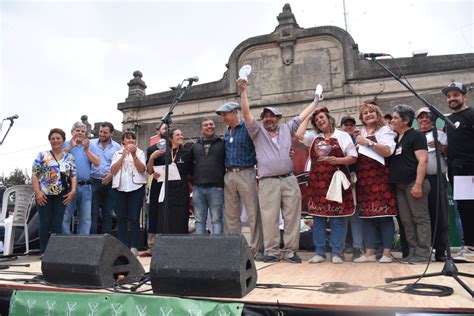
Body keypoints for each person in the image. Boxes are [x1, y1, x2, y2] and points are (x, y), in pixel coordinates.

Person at [239, 79, 320, 263]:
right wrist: (243, 91)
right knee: (269, 218)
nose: (268, 119)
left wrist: (316, 102)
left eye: (272, 116)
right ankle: (272, 251)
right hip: (267, 181)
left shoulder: (287, 129)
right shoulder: (257, 131)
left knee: (293, 216)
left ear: (278, 118)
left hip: (289, 179)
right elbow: (245, 113)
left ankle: (290, 251)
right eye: (265, 116)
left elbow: (301, 115)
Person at [296, 107, 358, 264]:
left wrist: (337, 161)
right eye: (316, 120)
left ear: (329, 119)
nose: (319, 120)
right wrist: (309, 115)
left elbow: (353, 157)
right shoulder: (314, 138)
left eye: (322, 117)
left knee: (337, 219)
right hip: (317, 184)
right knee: (318, 220)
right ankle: (320, 252)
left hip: (335, 182)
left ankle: (337, 252)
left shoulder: (343, 135)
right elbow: (298, 135)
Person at [216, 101, 263, 258]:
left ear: (234, 112)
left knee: (253, 212)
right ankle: (233, 248)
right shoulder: (226, 131)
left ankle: (256, 249)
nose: (223, 118)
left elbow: (260, 148)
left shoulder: (247, 128)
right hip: (229, 174)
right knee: (231, 215)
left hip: (246, 173)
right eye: (222, 115)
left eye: (225, 115)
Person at [353, 102, 397, 264]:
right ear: (362, 118)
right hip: (364, 179)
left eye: (371, 112)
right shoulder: (361, 133)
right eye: (365, 113)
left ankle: (386, 253)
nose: (368, 115)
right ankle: (370, 253)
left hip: (380, 178)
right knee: (367, 217)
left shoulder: (385, 130)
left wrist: (369, 143)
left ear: (377, 114)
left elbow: (387, 151)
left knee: (384, 216)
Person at [389, 104, 431, 264]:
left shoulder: (417, 136)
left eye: (395, 117)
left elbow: (423, 159)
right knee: (406, 220)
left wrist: (418, 184)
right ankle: (412, 251)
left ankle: (424, 252)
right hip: (399, 186)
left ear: (406, 120)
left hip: (413, 183)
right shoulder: (395, 138)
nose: (392, 120)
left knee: (420, 218)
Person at [442, 82, 474, 262]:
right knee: (464, 208)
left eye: (455, 94)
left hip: (470, 168)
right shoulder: (449, 121)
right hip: (456, 170)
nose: (452, 98)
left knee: (470, 207)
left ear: (464, 96)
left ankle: (470, 246)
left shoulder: (471, 115)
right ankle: (469, 245)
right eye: (449, 96)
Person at [32, 128, 77, 253]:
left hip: (61, 194)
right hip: (44, 194)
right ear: (49, 140)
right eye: (53, 138)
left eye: (58, 138)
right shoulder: (42, 155)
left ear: (63, 140)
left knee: (58, 223)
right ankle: (44, 251)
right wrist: (37, 192)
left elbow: (73, 175)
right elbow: (34, 175)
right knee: (44, 223)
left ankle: (55, 252)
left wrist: (73, 190)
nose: (55, 141)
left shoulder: (69, 157)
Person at [415, 107, 449, 262]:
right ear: (416, 120)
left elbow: (451, 154)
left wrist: (441, 147)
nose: (424, 120)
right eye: (420, 117)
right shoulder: (414, 136)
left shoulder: (441, 134)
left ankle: (441, 250)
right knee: (422, 215)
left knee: (440, 214)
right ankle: (423, 249)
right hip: (419, 180)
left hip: (437, 178)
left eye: (427, 117)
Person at [147, 129, 193, 234]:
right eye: (177, 135)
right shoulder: (164, 152)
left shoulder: (187, 152)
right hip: (166, 190)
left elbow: (192, 171)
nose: (181, 136)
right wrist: (152, 158)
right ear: (171, 138)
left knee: (180, 218)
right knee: (165, 217)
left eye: (182, 134)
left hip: (181, 190)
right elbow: (150, 171)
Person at [111, 131, 147, 255]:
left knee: (134, 218)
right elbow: (113, 170)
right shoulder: (116, 153)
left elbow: (142, 169)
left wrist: (133, 155)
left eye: (133, 139)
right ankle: (123, 246)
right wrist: (123, 156)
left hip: (136, 188)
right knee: (121, 218)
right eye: (128, 139)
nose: (130, 141)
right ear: (123, 141)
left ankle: (134, 246)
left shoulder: (140, 152)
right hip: (119, 188)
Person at [62, 122, 100, 235]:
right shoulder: (65, 144)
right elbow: (58, 158)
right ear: (72, 132)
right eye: (77, 130)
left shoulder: (88, 146)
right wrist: (71, 146)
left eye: (83, 131)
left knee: (85, 217)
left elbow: (97, 162)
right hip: (69, 187)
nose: (80, 133)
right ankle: (65, 242)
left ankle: (82, 244)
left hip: (86, 186)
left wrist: (87, 150)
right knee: (66, 216)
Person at [191, 118, 225, 235]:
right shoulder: (195, 146)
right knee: (199, 220)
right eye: (206, 125)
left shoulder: (222, 143)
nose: (209, 126)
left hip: (216, 188)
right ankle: (200, 249)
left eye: (211, 124)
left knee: (217, 219)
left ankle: (217, 248)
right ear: (201, 129)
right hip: (198, 188)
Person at [89, 122, 121, 234]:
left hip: (109, 183)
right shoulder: (91, 144)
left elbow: (120, 165)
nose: (102, 134)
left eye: (105, 132)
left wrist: (111, 176)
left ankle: (106, 242)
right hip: (93, 181)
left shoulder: (117, 147)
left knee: (107, 214)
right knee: (93, 214)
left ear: (111, 133)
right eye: (101, 132)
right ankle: (92, 242)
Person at [339, 115, 364, 261]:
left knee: (355, 217)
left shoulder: (358, 139)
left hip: (355, 179)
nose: (349, 127)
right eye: (346, 124)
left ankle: (357, 248)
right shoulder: (337, 139)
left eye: (351, 124)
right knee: (341, 217)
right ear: (341, 126)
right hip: (339, 180)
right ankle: (340, 248)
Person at [145, 123, 168, 254]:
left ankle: (168, 241)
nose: (166, 130)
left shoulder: (175, 147)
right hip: (157, 182)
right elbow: (149, 170)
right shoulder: (151, 148)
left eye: (168, 128)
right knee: (154, 211)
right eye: (164, 128)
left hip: (172, 183)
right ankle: (152, 245)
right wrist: (152, 158)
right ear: (158, 131)